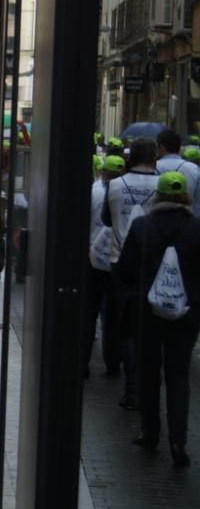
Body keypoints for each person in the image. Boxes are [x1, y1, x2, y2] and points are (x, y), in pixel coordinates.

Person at [116, 171, 200, 467]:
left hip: (146, 310)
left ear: (159, 196)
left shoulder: (141, 226)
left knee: (148, 373)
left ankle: (150, 432)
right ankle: (179, 441)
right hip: (186, 313)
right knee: (178, 375)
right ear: (186, 197)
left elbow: (125, 269)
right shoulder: (197, 228)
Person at [103, 137, 160, 409]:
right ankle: (148, 383)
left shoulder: (114, 185)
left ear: (130, 158)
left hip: (120, 262)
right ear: (154, 158)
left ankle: (132, 387)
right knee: (149, 327)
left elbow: (105, 219)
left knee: (125, 324)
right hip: (154, 264)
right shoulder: (162, 184)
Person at [84, 155, 125, 379]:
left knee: (89, 312)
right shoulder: (124, 192)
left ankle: (83, 363)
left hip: (92, 259)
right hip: (117, 261)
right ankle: (112, 363)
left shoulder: (93, 191)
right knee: (113, 316)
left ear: (103, 172)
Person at [155, 128, 200, 216]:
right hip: (188, 223)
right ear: (179, 147)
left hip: (156, 223)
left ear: (161, 147)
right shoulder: (195, 169)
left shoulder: (153, 167)